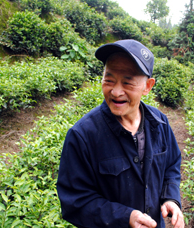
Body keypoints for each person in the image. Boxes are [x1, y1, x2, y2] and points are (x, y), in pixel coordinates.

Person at [57, 39, 184, 228]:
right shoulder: (82, 136)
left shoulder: (160, 123)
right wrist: (124, 218)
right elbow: (75, 201)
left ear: (147, 86)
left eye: (127, 82)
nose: (116, 92)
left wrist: (170, 198)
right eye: (109, 80)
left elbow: (171, 166)